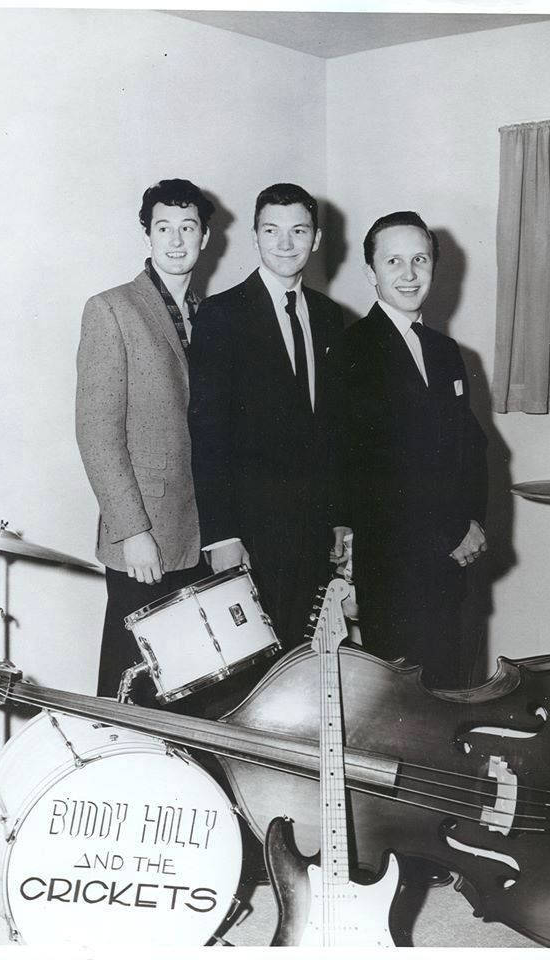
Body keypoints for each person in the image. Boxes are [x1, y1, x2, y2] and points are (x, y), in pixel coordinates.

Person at [188, 183, 350, 650]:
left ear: (316, 239)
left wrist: (339, 517)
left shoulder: (327, 314)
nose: (285, 243)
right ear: (255, 237)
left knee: (303, 664)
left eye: (298, 231)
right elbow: (208, 434)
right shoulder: (222, 315)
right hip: (250, 533)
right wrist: (221, 536)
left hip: (312, 533)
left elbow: (331, 427)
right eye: (271, 230)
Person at [335, 211, 488, 691]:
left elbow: (472, 448)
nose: (408, 274)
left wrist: (473, 523)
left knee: (449, 696)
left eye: (419, 260)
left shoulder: (446, 351)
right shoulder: (351, 349)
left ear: (434, 268)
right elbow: (373, 469)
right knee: (402, 711)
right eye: (393, 261)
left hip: (450, 563)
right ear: (371, 273)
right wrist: (450, 531)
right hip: (394, 566)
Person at [76, 178, 214, 699]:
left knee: (190, 689)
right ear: (147, 234)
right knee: (130, 687)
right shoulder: (112, 309)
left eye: (188, 228)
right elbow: (97, 432)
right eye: (163, 228)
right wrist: (132, 529)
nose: (176, 241)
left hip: (200, 535)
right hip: (145, 537)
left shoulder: (214, 316)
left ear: (205, 237)